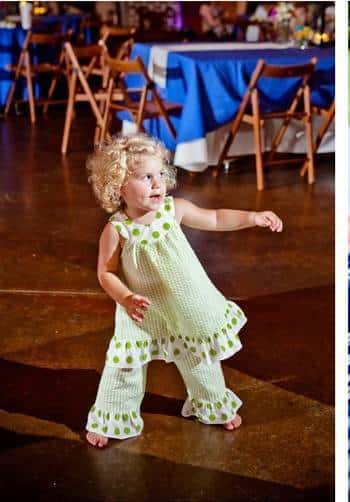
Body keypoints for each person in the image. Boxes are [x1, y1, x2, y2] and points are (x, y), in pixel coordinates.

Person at [84, 133, 283, 448]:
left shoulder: (174, 211)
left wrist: (252, 218)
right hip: (141, 310)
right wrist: (125, 297)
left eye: (160, 174)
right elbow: (105, 272)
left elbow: (216, 218)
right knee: (125, 364)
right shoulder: (117, 230)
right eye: (145, 177)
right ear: (120, 186)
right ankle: (112, 416)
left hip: (184, 305)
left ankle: (213, 404)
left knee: (198, 356)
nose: (157, 183)